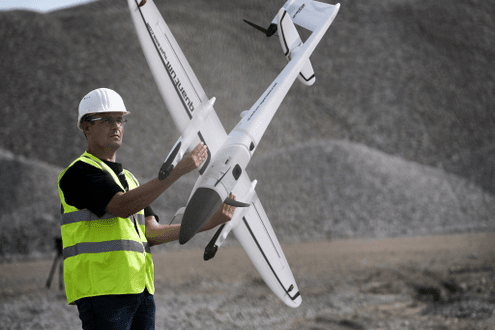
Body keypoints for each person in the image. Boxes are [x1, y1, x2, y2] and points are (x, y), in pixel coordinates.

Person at [58, 88, 235, 330]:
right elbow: (121, 206)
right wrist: (177, 172)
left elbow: (151, 232)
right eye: (106, 119)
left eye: (120, 119)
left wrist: (208, 222)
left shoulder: (129, 179)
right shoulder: (79, 173)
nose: (116, 126)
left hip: (139, 289)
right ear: (86, 127)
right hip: (102, 291)